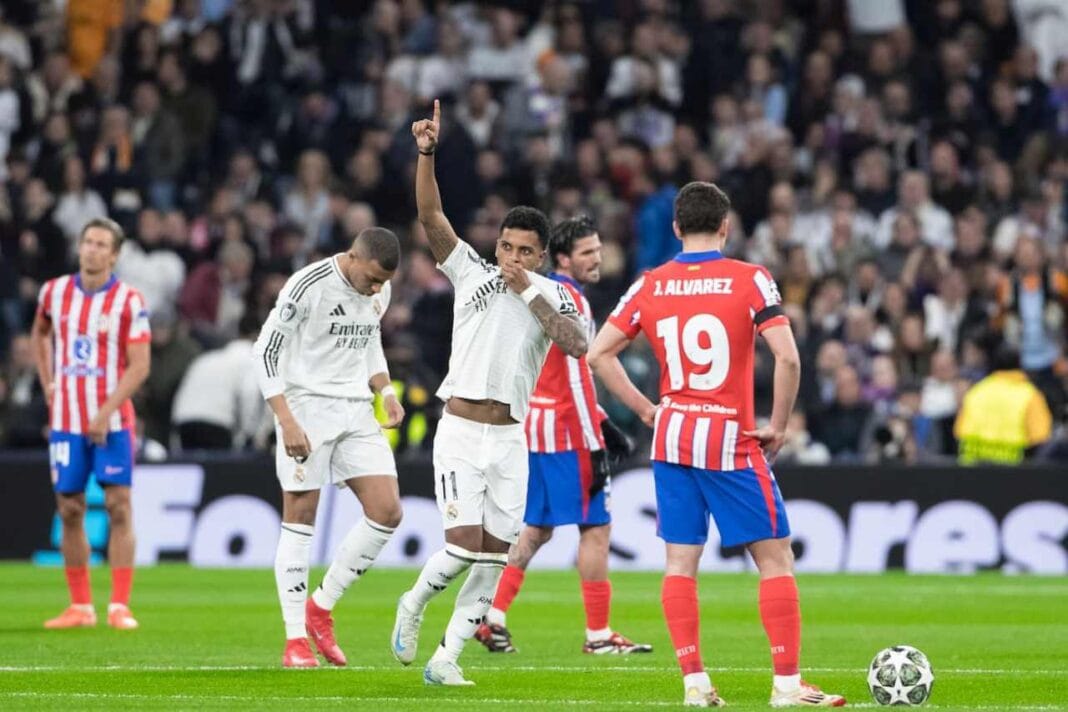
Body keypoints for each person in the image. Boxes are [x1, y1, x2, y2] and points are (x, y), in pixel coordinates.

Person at [588, 182, 846, 708]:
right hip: (729, 436)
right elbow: (789, 358)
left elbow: (599, 353)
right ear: (725, 226)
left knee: (680, 564)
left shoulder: (650, 283)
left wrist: (644, 410)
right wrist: (777, 422)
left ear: (677, 228)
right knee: (775, 559)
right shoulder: (751, 279)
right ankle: (788, 686)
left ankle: (695, 684)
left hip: (673, 434)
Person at [391, 100, 588, 686]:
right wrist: (426, 153)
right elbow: (430, 214)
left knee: (495, 559)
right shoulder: (470, 273)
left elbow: (575, 345)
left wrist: (529, 290)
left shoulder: (556, 296)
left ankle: (446, 658)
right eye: (507, 247)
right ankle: (413, 604)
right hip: (459, 430)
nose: (511, 258)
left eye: (525, 251)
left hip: (509, 439)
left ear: (542, 256)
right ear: (496, 245)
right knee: (460, 551)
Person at [474, 215, 650, 655]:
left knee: (536, 530)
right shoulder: (570, 300)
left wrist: (603, 421)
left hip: (537, 427)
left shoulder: (542, 295)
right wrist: (597, 437)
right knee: (596, 527)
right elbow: (578, 373)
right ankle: (598, 635)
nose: (599, 257)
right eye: (588, 252)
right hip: (568, 434)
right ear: (565, 259)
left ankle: (490, 618)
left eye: (599, 248)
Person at [250, 227, 406, 668]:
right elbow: (265, 353)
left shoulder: (381, 288)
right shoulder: (307, 285)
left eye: (383, 282)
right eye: (372, 278)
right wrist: (286, 420)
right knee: (300, 517)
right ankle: (295, 639)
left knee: (388, 512)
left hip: (356, 408)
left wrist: (386, 390)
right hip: (306, 408)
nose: (377, 288)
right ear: (353, 257)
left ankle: (321, 607)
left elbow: (368, 337)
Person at [30, 217, 151, 630]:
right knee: (69, 508)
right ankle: (81, 606)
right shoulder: (54, 292)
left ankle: (119, 604)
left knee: (118, 505)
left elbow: (140, 367)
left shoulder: (130, 302)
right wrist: (47, 381)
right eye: (88, 241)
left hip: (113, 419)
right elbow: (40, 333)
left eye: (102, 244)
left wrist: (103, 412)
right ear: (79, 247)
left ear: (114, 254)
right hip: (66, 418)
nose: (93, 249)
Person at [954, 346, 1052, 464]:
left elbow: (959, 432)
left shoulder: (976, 392)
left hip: (971, 472)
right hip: (1014, 474)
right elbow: (1040, 438)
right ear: (1020, 365)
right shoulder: (1030, 395)